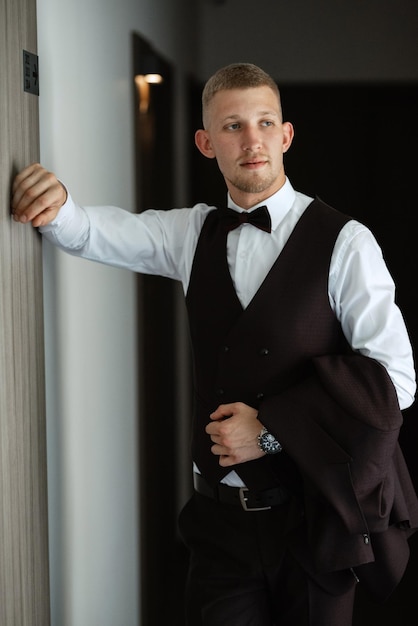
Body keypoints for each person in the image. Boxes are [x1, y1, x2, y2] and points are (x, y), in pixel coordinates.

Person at [12, 63, 418, 626]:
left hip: (314, 517)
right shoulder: (190, 232)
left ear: (286, 135)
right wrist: (56, 204)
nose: (251, 140)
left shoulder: (346, 242)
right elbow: (89, 230)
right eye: (232, 126)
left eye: (263, 122)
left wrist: (272, 430)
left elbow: (395, 381)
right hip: (218, 524)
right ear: (206, 142)